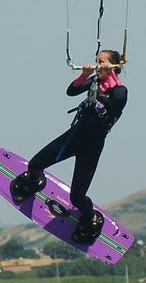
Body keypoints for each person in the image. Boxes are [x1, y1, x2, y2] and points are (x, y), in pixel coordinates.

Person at [10, 49, 128, 243]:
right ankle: (34, 182)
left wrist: (111, 75)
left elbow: (118, 101)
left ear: (113, 66)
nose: (97, 65)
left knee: (77, 198)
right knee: (34, 165)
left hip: (91, 148)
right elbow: (71, 91)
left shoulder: (120, 91)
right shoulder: (94, 82)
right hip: (72, 138)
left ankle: (91, 218)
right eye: (97, 61)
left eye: (102, 62)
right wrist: (84, 75)